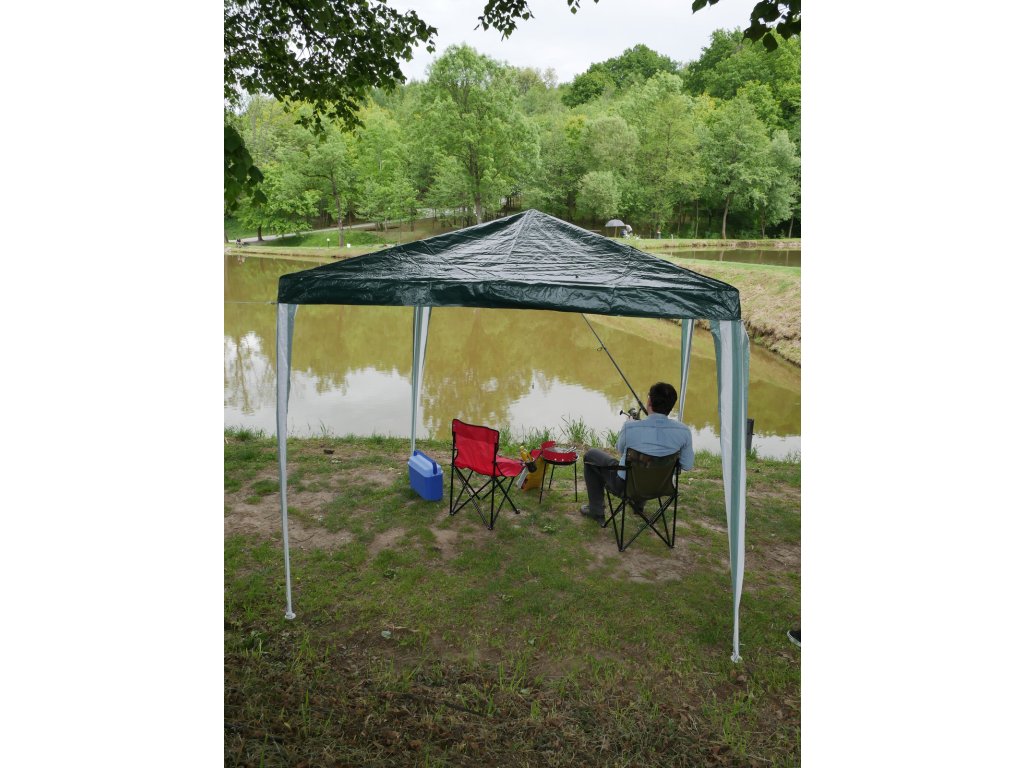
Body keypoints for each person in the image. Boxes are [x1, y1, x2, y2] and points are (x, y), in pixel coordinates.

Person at [580, 382, 694, 522]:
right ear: (671, 405)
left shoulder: (630, 427)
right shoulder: (684, 431)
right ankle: (638, 506)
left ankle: (596, 511)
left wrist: (629, 424)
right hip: (662, 487)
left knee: (591, 455)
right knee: (645, 466)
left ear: (649, 401)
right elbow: (687, 465)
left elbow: (620, 450)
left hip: (627, 487)